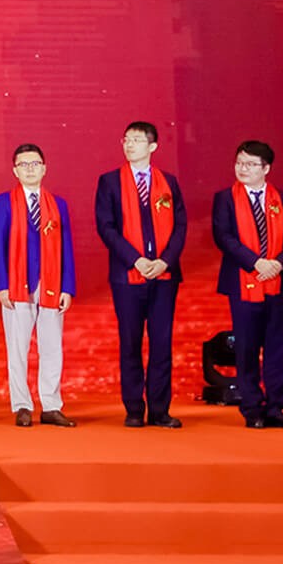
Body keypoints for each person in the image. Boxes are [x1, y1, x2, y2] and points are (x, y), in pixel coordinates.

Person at [94, 121, 189, 429]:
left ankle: (160, 410)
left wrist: (165, 261)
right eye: (126, 139)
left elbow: (180, 226)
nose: (129, 145)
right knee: (130, 343)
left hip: (164, 276)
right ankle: (134, 408)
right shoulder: (110, 181)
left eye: (136, 140)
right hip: (127, 275)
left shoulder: (169, 182)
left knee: (161, 343)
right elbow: (106, 227)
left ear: (153, 146)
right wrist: (135, 259)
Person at [213, 140, 283, 430]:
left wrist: (278, 264)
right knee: (247, 347)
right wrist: (256, 263)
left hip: (280, 283)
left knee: (277, 348)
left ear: (266, 169)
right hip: (243, 282)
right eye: (239, 163)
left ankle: (276, 408)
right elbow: (223, 236)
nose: (243, 169)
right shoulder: (225, 199)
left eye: (251, 164)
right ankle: (252, 408)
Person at [0, 143, 76, 427]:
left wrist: (68, 287)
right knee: (17, 347)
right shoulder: (4, 202)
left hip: (51, 282)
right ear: (15, 170)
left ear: (44, 168)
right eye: (24, 165)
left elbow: (66, 247)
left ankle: (51, 405)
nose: (30, 169)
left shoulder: (58, 204)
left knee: (52, 347)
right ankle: (22, 405)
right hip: (17, 283)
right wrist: (2, 285)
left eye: (35, 164)